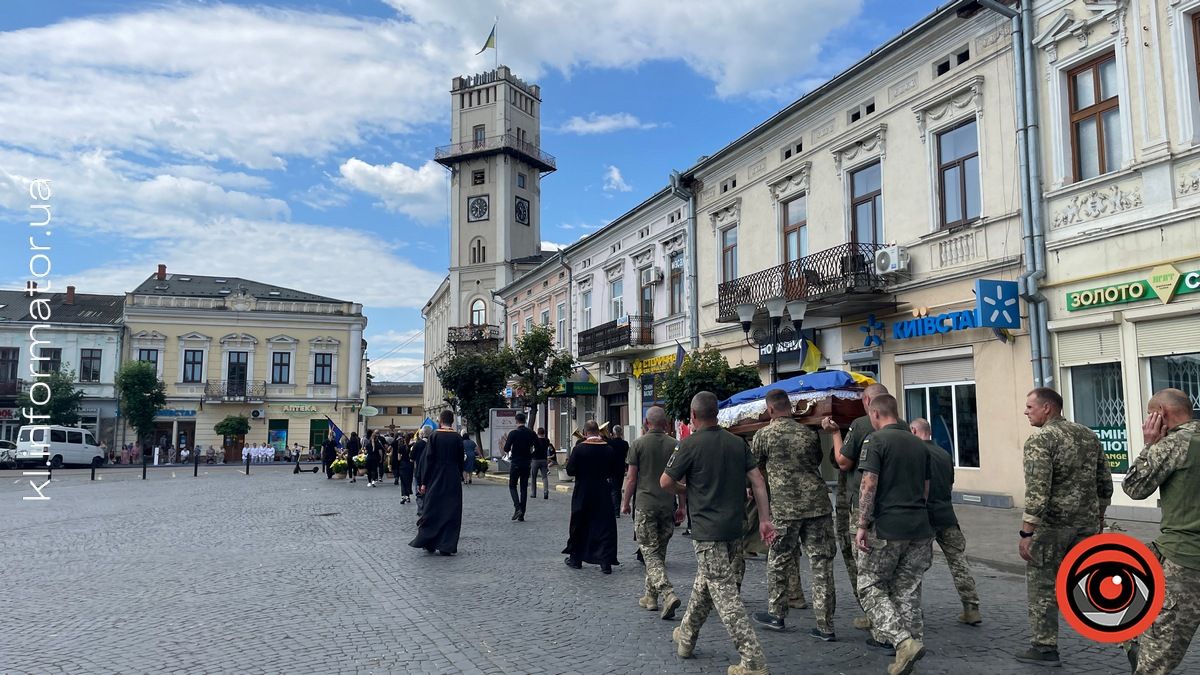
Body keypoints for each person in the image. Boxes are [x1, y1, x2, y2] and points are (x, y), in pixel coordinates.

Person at [661, 391, 777, 675]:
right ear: (717, 413)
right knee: (705, 584)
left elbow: (666, 482)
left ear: (693, 416)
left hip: (707, 530)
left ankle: (753, 661)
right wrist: (765, 519)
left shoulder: (689, 445)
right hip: (734, 529)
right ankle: (686, 636)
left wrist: (685, 490)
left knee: (724, 596)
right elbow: (758, 481)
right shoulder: (737, 443)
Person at [1016, 387, 1112, 667]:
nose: (1026, 412)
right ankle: (1129, 638)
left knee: (1043, 584)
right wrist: (1100, 517)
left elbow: (1037, 492)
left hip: (1053, 528)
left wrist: (1026, 532)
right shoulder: (1087, 435)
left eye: (1030, 407)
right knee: (1092, 583)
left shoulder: (1041, 440)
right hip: (1086, 525)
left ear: (1047, 408)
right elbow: (1104, 482)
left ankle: (1044, 648)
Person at [1121, 388, 1200, 674]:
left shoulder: (1176, 444)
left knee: (1157, 661)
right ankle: (1135, 639)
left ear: (1160, 415)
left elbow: (1135, 487)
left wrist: (1150, 444)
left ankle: (1140, 646)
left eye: (1149, 416)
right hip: (1171, 550)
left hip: (1186, 559)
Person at [854, 394, 933, 675]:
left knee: (869, 585)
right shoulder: (920, 444)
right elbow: (925, 489)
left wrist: (862, 524)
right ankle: (913, 643)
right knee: (907, 589)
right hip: (920, 527)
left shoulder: (876, 442)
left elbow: (868, 484)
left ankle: (902, 642)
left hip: (888, 526)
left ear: (875, 415)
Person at [750, 389, 838, 642]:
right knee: (821, 564)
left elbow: (754, 467)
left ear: (770, 410)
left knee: (778, 560)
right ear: (789, 407)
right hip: (818, 504)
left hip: (785, 508)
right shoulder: (809, 434)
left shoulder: (763, 435)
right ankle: (826, 625)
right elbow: (816, 459)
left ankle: (777, 613)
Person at [824, 382, 889, 635]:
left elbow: (842, 461)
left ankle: (877, 620)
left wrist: (834, 432)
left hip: (863, 505)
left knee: (865, 565)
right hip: (890, 507)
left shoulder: (862, 424)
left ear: (867, 403)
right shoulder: (903, 426)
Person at [910, 417, 981, 627]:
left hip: (924, 516)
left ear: (914, 431)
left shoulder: (915, 454)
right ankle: (971, 607)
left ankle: (913, 609)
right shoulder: (944, 453)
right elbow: (949, 484)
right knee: (958, 561)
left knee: (914, 565)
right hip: (947, 514)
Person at [621, 406, 685, 619]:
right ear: (666, 424)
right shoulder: (675, 446)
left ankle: (667, 593)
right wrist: (682, 506)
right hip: (668, 504)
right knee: (659, 552)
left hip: (645, 505)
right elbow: (680, 480)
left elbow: (631, 478)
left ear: (646, 424)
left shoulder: (638, 444)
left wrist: (625, 502)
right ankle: (650, 597)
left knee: (649, 552)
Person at [562, 420, 620, 574]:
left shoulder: (579, 449)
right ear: (598, 431)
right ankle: (605, 562)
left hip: (583, 491)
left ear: (586, 432)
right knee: (604, 526)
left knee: (580, 523)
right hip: (602, 491)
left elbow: (570, 471)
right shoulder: (608, 449)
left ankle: (576, 559)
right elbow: (614, 471)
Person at [408, 410, 465, 556]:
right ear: (452, 421)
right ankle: (447, 544)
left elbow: (428, 460)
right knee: (451, 511)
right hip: (452, 478)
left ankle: (429, 542)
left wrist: (423, 482)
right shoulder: (457, 437)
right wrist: (460, 475)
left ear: (440, 420)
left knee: (432, 509)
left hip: (436, 477)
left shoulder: (434, 436)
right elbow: (460, 460)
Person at [504, 412, 538, 522]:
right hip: (526, 463)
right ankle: (522, 514)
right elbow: (539, 447)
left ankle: (517, 508)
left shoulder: (513, 433)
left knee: (512, 486)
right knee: (524, 488)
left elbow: (506, 449)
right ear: (525, 420)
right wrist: (531, 455)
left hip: (516, 463)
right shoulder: (531, 433)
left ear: (516, 421)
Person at [607, 424, 629, 518]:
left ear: (613, 433)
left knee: (613, 489)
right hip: (620, 468)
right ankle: (616, 510)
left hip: (611, 468)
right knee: (618, 489)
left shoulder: (610, 443)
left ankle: (614, 510)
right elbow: (627, 456)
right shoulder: (625, 444)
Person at [412, 426, 432, 516]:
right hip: (431, 471)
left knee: (419, 492)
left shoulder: (417, 444)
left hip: (419, 470)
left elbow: (411, 458)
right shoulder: (433, 444)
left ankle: (421, 510)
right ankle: (428, 509)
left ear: (422, 433)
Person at [532, 427, 554, 499]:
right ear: (544, 433)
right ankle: (545, 492)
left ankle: (533, 493)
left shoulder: (535, 440)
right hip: (544, 460)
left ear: (538, 433)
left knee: (533, 477)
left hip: (535, 460)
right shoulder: (547, 440)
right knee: (544, 477)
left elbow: (533, 449)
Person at [395, 434, 414, 503]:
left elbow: (399, 458)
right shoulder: (412, 447)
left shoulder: (401, 447)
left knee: (403, 481)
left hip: (403, 465)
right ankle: (408, 496)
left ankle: (403, 496)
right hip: (410, 465)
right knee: (409, 480)